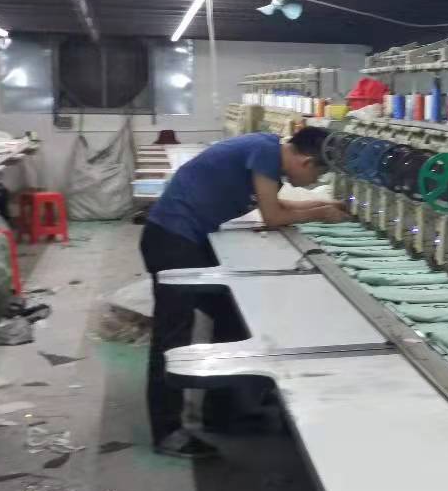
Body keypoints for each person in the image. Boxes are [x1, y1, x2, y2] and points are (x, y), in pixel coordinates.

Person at [140, 128, 346, 459]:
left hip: (184, 238)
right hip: (172, 239)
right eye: (317, 175)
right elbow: (272, 216)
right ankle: (168, 431)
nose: (313, 182)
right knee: (172, 335)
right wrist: (321, 214)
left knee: (231, 315)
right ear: (306, 161)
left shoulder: (267, 153)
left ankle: (224, 413)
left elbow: (274, 204)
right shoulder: (265, 152)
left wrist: (323, 204)